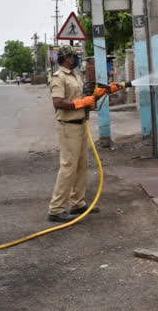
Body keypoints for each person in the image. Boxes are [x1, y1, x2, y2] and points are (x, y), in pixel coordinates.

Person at [47, 45, 101, 222]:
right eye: (73, 56)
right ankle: (56, 209)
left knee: (81, 165)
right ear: (65, 58)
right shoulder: (59, 77)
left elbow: (81, 98)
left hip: (80, 125)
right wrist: (81, 103)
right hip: (68, 127)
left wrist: (98, 94)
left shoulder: (75, 75)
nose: (76, 59)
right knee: (68, 167)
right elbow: (58, 102)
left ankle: (77, 202)